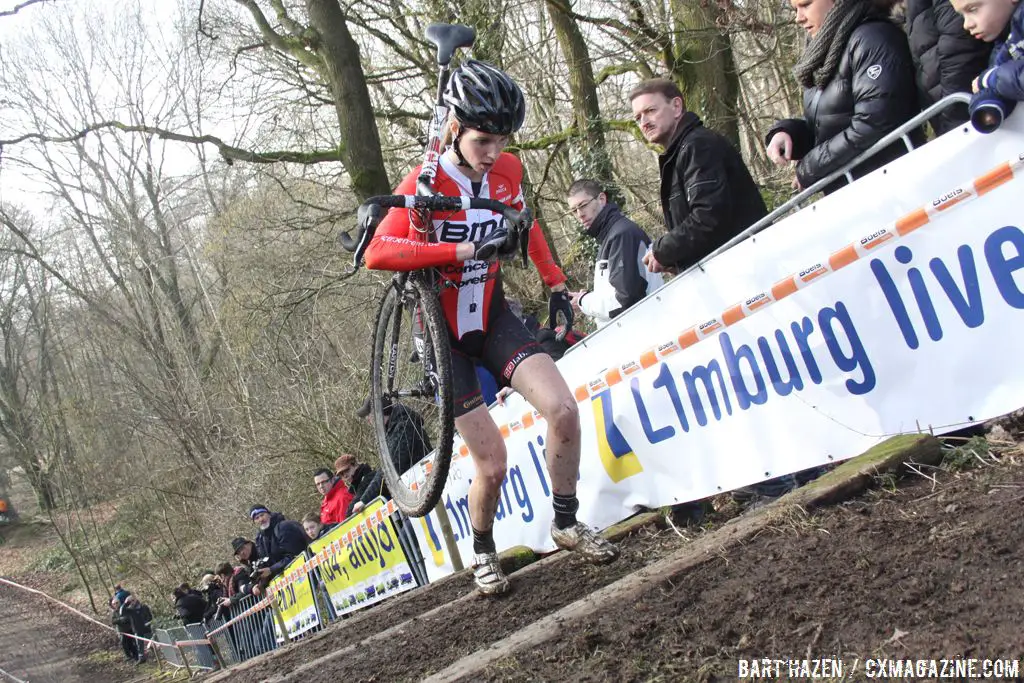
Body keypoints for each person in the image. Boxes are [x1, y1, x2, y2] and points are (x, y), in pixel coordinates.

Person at [363, 59, 619, 596]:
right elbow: (379, 253)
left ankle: (566, 522)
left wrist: (554, 283)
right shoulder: (425, 182)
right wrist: (462, 248)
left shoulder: (507, 171)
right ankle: (483, 551)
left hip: (495, 316)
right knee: (494, 462)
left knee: (563, 409)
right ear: (454, 128)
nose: (493, 154)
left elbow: (527, 229)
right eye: (483, 141)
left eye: (502, 141)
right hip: (446, 336)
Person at [765, 0, 922, 194]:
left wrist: (810, 168)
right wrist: (788, 134)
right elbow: (828, 123)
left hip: (893, 187)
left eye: (805, 5)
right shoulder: (822, 54)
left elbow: (874, 123)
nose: (798, 18)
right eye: (795, 9)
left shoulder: (873, 38)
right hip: (857, 192)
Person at [629, 79, 767, 275]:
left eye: (650, 110)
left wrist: (662, 250)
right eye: (638, 118)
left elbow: (708, 218)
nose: (644, 122)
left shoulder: (699, 146)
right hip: (731, 270)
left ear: (676, 106)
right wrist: (678, 259)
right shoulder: (680, 153)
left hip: (747, 269)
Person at [565, 179, 663, 327]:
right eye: (574, 210)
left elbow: (625, 300)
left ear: (602, 199)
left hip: (645, 331)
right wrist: (586, 297)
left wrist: (584, 301)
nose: (579, 214)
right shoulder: (610, 236)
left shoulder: (621, 235)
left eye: (583, 205)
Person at [906, 0, 992, 134]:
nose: (967, 24)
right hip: (952, 113)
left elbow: (959, 54)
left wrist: (955, 125)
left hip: (966, 116)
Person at [956, 0, 1024, 110]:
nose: (966, 25)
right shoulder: (1003, 42)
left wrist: (992, 79)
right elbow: (993, 86)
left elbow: (993, 78)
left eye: (973, 10)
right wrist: (986, 104)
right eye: (961, 15)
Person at [250, 505, 309, 586]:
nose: (261, 519)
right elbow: (267, 561)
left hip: (304, 571)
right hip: (286, 580)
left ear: (269, 514)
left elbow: (295, 555)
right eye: (257, 518)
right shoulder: (259, 539)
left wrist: (271, 569)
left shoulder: (283, 527)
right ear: (254, 522)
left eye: (262, 515)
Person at [123, 595, 153, 663]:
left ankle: (157, 656)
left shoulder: (144, 607)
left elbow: (149, 616)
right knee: (139, 645)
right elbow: (121, 612)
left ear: (136, 599)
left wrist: (147, 622)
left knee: (151, 643)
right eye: (131, 601)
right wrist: (125, 603)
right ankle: (141, 658)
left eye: (133, 600)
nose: (132, 602)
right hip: (137, 630)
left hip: (146, 629)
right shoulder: (130, 610)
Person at [110, 596, 139, 663]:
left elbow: (129, 617)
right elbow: (113, 621)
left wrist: (124, 619)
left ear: (119, 603)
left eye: (117, 603)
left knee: (132, 644)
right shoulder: (114, 612)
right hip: (122, 631)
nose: (115, 605)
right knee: (124, 644)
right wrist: (120, 620)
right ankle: (128, 656)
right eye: (114, 604)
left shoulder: (124, 609)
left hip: (129, 630)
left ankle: (136, 656)